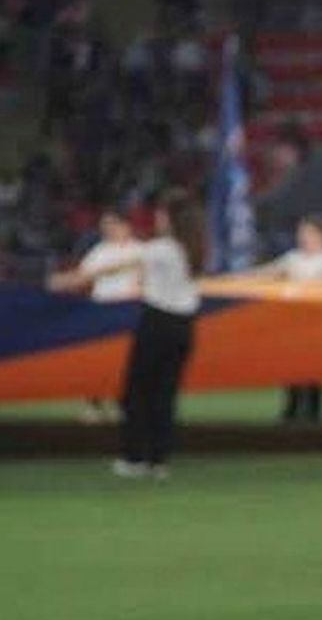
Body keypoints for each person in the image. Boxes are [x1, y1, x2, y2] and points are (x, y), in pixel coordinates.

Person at [49, 189, 206, 480]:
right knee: (165, 394)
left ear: (169, 218)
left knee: (137, 392)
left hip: (157, 322)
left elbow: (116, 267)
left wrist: (67, 280)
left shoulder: (163, 248)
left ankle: (134, 457)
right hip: (184, 326)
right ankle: (159, 459)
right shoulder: (194, 248)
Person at [250, 214, 322, 425]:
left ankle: (314, 414)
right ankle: (290, 411)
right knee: (292, 366)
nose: (303, 236)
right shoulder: (293, 258)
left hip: (318, 322)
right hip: (294, 322)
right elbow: (267, 273)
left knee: (316, 369)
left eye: (308, 232)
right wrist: (237, 279)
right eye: (302, 232)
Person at [78, 209, 142, 424]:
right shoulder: (99, 252)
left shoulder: (140, 250)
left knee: (126, 364)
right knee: (96, 362)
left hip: (129, 313)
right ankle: (93, 404)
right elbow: (82, 277)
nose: (107, 229)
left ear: (126, 225)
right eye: (104, 225)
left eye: (112, 223)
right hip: (101, 312)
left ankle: (121, 404)